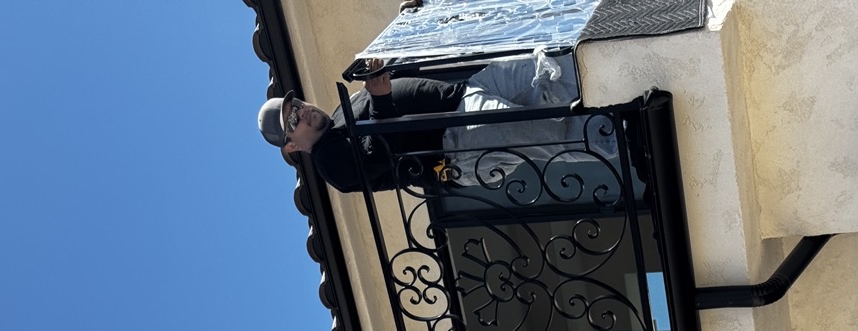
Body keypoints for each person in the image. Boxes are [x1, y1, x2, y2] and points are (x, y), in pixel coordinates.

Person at [258, 52, 606, 193]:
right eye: (292, 119)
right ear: (291, 145)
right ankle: (622, 133)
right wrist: (379, 96)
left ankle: (615, 68)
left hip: (465, 93)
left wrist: (396, 52)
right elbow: (377, 155)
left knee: (546, 70)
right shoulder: (329, 163)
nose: (301, 111)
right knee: (554, 132)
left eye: (296, 104)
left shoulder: (339, 114)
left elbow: (396, 90)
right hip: (455, 144)